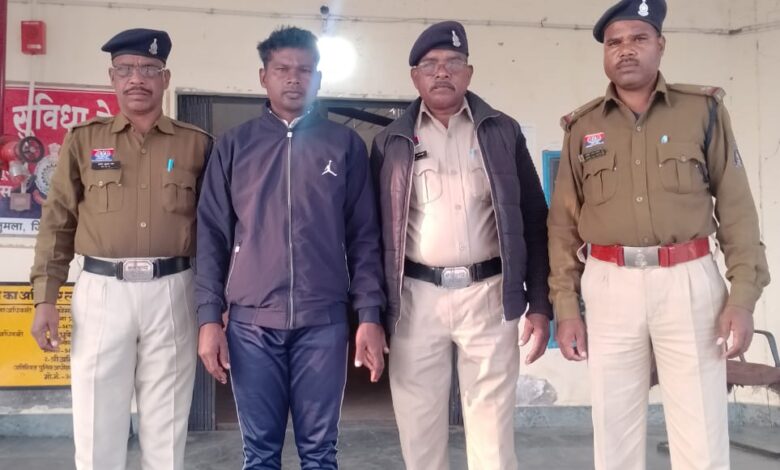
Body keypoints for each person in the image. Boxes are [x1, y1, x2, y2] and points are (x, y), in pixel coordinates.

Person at [548, 1, 771, 469]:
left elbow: (737, 211)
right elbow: (563, 227)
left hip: (688, 280)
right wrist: (565, 308)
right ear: (604, 54)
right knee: (614, 426)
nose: (625, 50)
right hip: (608, 282)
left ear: (661, 45)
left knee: (700, 427)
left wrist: (743, 298)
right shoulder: (582, 127)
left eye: (638, 38)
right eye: (614, 43)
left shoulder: (702, 111)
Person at [195, 26, 387, 469]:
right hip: (251, 325)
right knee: (259, 453)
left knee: (320, 452)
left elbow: (364, 237)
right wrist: (208, 318)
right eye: (282, 69)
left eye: (305, 70)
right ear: (263, 76)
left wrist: (369, 315)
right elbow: (211, 237)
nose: (294, 78)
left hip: (323, 322)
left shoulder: (344, 145)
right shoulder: (234, 146)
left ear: (318, 78)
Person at [370, 20, 552, 470]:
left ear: (469, 73)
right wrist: (370, 314)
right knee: (419, 430)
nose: (442, 72)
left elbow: (534, 219)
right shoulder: (390, 142)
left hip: (488, 296)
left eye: (453, 63)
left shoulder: (502, 131)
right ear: (415, 77)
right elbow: (371, 235)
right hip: (415, 300)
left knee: (493, 437)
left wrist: (540, 303)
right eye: (430, 65)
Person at [29, 28, 212, 470]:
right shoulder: (84, 140)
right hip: (102, 290)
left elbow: (214, 231)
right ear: (112, 78)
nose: (137, 79)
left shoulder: (196, 143)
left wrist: (215, 306)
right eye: (126, 69)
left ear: (165, 79)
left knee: (167, 423)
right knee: (97, 421)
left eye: (149, 69)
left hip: (174, 289)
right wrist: (44, 298)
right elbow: (57, 221)